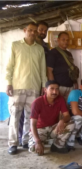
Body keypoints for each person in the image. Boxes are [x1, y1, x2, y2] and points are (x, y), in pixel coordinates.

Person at [6, 22, 47, 155]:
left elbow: (42, 69)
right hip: (17, 86)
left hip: (34, 87)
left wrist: (43, 85)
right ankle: (13, 143)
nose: (33, 33)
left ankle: (24, 140)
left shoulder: (39, 49)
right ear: (25, 30)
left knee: (30, 117)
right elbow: (9, 66)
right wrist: (8, 83)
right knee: (15, 116)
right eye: (30, 30)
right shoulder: (15, 45)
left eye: (35, 31)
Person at [29, 81, 75, 155]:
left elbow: (67, 116)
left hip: (53, 128)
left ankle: (57, 145)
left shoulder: (60, 99)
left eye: (57, 89)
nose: (55, 92)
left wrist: (62, 120)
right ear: (45, 90)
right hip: (40, 130)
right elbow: (33, 124)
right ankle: (43, 141)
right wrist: (37, 141)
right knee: (34, 149)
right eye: (52, 89)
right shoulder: (37, 102)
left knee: (71, 123)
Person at [47, 32, 78, 101]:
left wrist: (75, 83)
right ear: (58, 40)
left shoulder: (69, 54)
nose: (66, 42)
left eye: (67, 40)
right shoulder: (53, 52)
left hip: (70, 85)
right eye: (63, 39)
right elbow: (49, 70)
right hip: (59, 86)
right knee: (57, 106)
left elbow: (72, 69)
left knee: (68, 107)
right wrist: (53, 86)